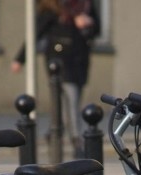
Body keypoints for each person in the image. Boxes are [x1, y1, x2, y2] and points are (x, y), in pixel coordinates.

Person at [11, 0, 99, 157]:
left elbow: (96, 30)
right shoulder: (51, 8)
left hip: (80, 61)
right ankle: (76, 142)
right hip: (60, 62)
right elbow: (35, 33)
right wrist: (20, 59)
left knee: (70, 102)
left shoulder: (85, 5)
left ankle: (54, 132)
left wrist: (88, 23)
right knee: (71, 102)